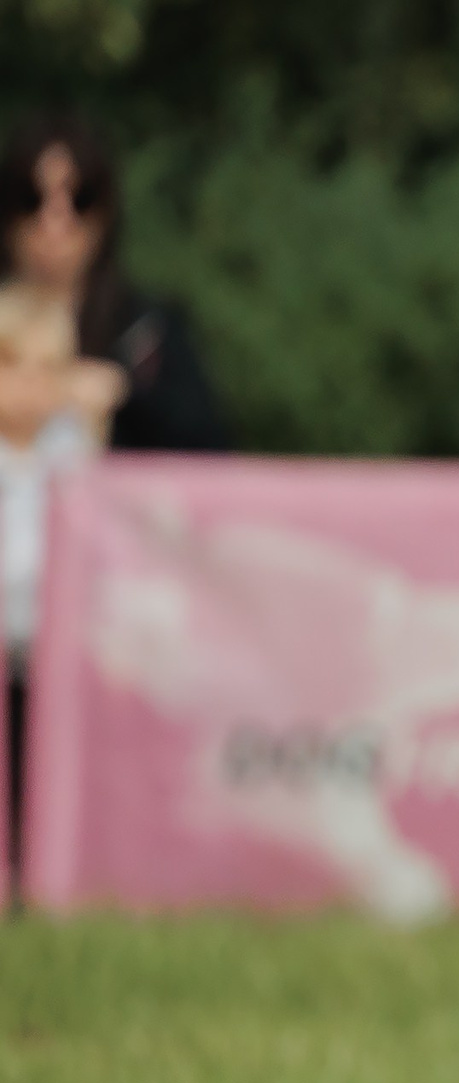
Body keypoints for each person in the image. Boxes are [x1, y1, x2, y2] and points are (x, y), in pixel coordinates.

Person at [3, 113, 228, 452]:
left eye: (81, 198)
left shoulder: (147, 331)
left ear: (104, 213)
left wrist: (124, 395)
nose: (55, 221)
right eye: (32, 197)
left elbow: (211, 450)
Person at [0, 284, 119, 900]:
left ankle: (43, 876)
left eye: (49, 369)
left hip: (48, 649)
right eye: (11, 365)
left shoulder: (67, 454)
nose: (30, 385)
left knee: (40, 770)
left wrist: (93, 417)